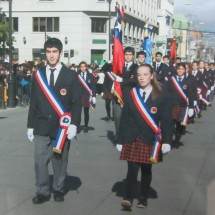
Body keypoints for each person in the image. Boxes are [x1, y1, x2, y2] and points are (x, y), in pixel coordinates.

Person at [27, 38, 82, 204]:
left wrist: (74, 124)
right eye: (48, 52)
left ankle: (58, 189)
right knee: (39, 161)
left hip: (61, 127)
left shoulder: (71, 75)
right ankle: (43, 191)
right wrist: (30, 125)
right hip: (41, 125)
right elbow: (34, 101)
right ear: (45, 53)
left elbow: (76, 102)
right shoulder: (38, 75)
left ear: (60, 53)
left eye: (54, 52)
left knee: (60, 161)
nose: (51, 56)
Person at [118, 64, 172, 210]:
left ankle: (143, 197)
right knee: (131, 169)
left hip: (149, 138)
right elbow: (124, 118)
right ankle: (128, 197)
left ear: (152, 76)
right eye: (139, 75)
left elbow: (167, 120)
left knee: (146, 170)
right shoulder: (131, 93)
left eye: (145, 74)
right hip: (132, 138)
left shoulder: (160, 94)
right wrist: (120, 139)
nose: (142, 78)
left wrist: (167, 141)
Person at [113, 46, 138, 143]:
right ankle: (119, 136)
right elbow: (106, 70)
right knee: (118, 117)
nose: (127, 57)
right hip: (118, 96)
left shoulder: (136, 67)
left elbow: (135, 80)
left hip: (129, 96)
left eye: (130, 55)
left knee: (129, 118)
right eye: (126, 54)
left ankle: (128, 136)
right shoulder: (119, 65)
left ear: (133, 56)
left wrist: (122, 80)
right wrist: (111, 61)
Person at [168, 63, 195, 145]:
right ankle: (168, 141)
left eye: (182, 69)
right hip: (172, 105)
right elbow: (166, 92)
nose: (180, 70)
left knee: (180, 125)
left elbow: (191, 95)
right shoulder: (172, 80)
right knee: (170, 124)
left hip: (182, 105)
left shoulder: (188, 81)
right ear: (176, 70)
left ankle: (176, 140)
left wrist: (191, 107)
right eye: (178, 69)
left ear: (185, 70)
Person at [77, 61, 96, 133]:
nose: (83, 68)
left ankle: (86, 126)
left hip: (87, 95)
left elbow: (93, 86)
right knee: (78, 112)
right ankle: (77, 126)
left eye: (84, 66)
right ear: (79, 67)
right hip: (78, 95)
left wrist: (93, 96)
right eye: (81, 66)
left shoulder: (90, 75)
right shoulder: (77, 75)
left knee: (86, 112)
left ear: (86, 67)